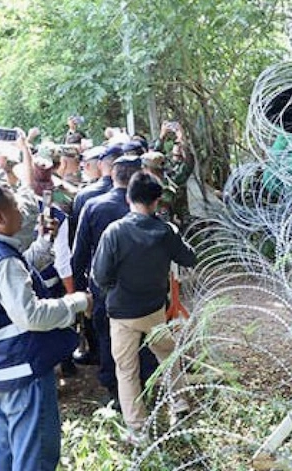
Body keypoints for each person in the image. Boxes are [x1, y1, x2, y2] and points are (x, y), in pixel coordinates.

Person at [0, 182, 92, 470]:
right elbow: (31, 315)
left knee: (4, 453)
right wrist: (77, 302)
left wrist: (43, 243)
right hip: (21, 373)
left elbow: (15, 276)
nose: (22, 213)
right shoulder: (2, 261)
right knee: (35, 457)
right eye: (16, 208)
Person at [92, 171, 196, 443]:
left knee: (127, 371)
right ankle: (179, 401)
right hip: (154, 310)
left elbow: (100, 275)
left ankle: (138, 429)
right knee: (167, 354)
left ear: (128, 198)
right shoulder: (165, 231)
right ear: (157, 201)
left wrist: (112, 289)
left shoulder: (114, 232)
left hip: (122, 313)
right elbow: (189, 257)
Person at [72, 155, 148, 401]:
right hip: (142, 287)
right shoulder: (147, 207)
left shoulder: (93, 206)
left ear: (112, 175)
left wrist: (81, 290)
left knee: (108, 338)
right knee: (144, 338)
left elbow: (79, 255)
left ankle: (115, 393)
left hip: (105, 287)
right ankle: (144, 386)